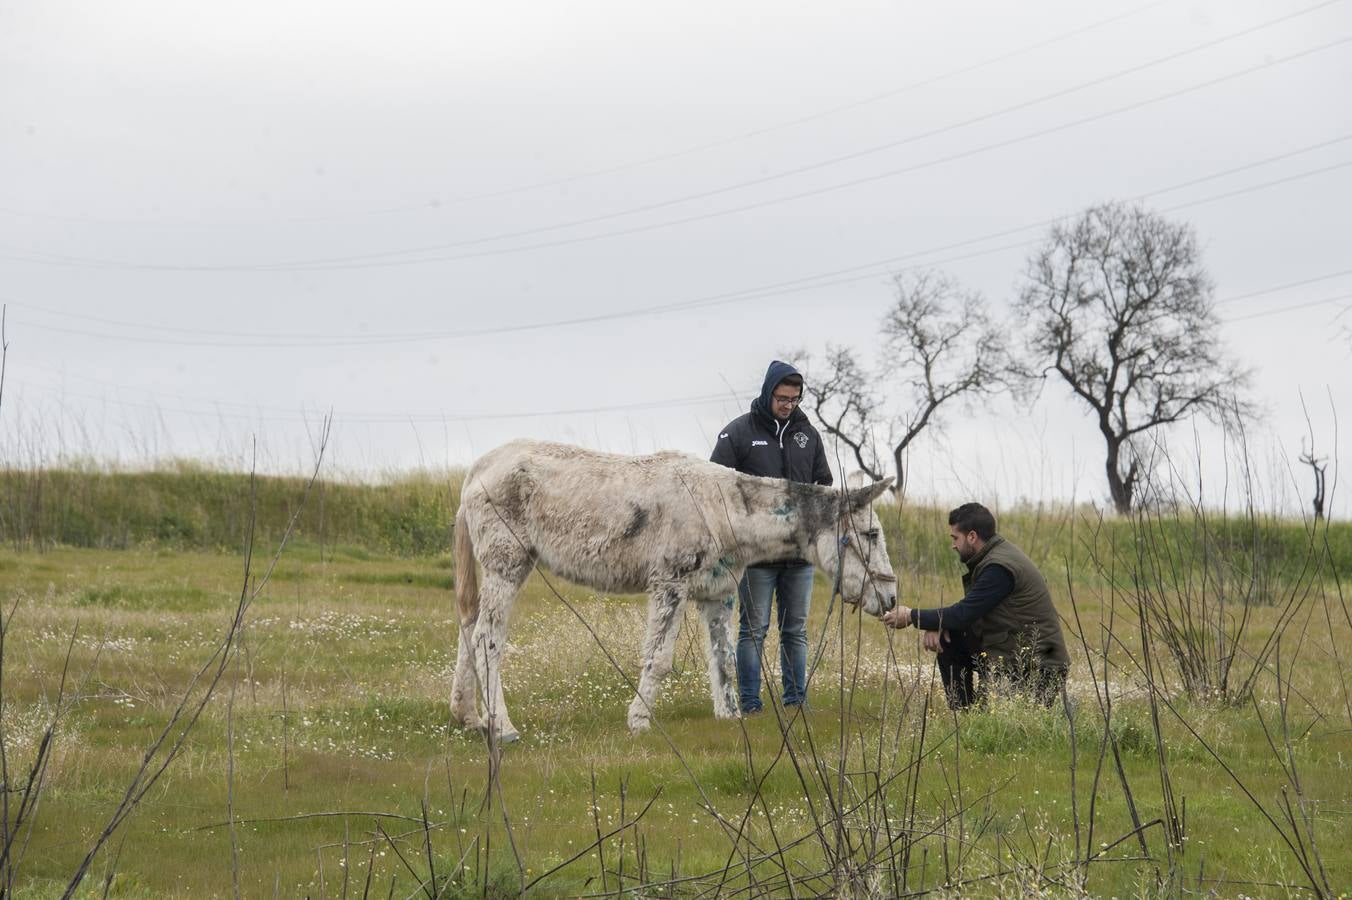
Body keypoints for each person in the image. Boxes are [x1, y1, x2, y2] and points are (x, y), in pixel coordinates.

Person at [711, 360, 832, 713]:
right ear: (768, 393)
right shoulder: (738, 433)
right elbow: (715, 485)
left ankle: (796, 701)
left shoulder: (808, 435)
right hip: (757, 556)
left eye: (794, 399)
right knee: (754, 630)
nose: (788, 405)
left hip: (799, 557)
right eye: (782, 398)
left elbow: (824, 484)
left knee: (795, 631)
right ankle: (750, 703)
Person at [882, 502, 1070, 708]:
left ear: (972, 536)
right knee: (949, 641)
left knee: (1009, 728)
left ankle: (976, 721)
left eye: (955, 538)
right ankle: (965, 719)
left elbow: (963, 614)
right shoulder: (995, 557)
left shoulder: (999, 568)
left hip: (1036, 666)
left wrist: (911, 615)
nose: (953, 545)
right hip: (1014, 655)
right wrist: (940, 624)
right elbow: (970, 611)